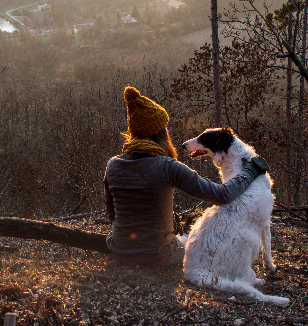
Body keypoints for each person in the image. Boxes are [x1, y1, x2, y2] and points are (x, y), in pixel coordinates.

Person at [103, 86, 269, 267]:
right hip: (158, 256)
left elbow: (112, 215)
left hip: (120, 251)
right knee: (198, 248)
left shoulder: (113, 165)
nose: (168, 132)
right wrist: (250, 172)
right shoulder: (167, 167)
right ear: (158, 133)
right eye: (165, 128)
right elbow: (222, 195)